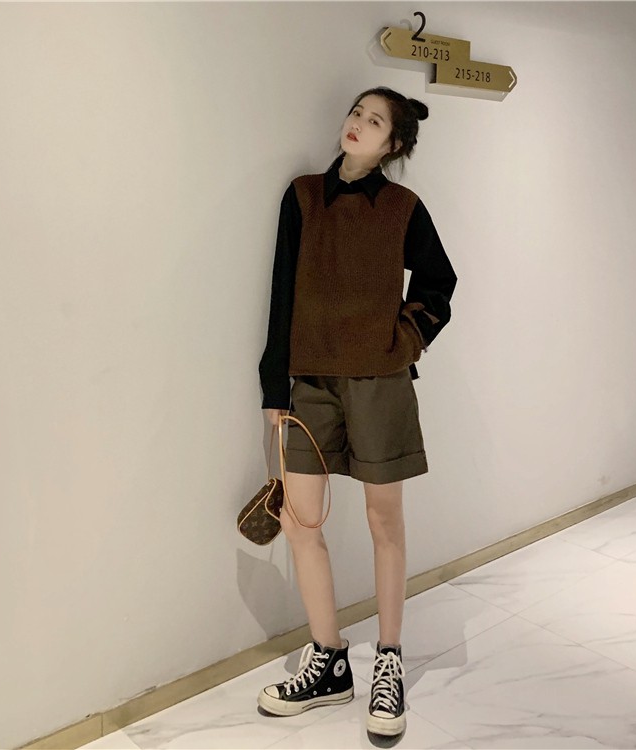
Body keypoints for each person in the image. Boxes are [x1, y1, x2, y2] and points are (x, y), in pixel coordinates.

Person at [256, 86, 458, 736]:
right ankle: (330, 659)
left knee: (383, 521)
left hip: (380, 383)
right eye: (356, 114)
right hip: (311, 382)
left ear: (392, 144)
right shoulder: (303, 197)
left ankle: (389, 661)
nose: (357, 125)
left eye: (374, 122)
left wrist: (404, 339)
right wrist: (273, 385)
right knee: (299, 521)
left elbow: (440, 284)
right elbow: (281, 292)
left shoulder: (403, 208)